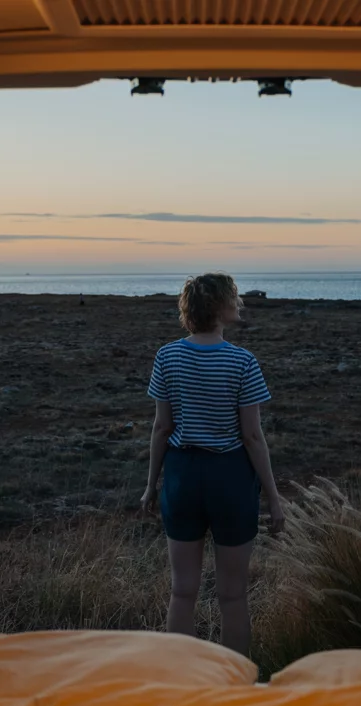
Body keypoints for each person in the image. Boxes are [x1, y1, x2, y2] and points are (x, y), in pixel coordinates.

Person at [140, 272, 284, 656]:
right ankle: (234, 686)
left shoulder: (167, 356)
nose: (240, 304)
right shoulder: (243, 362)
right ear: (220, 307)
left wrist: (151, 484)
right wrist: (273, 496)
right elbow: (252, 437)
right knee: (233, 595)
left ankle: (183, 682)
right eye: (234, 298)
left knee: (182, 590)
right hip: (231, 479)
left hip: (183, 477)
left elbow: (161, 427)